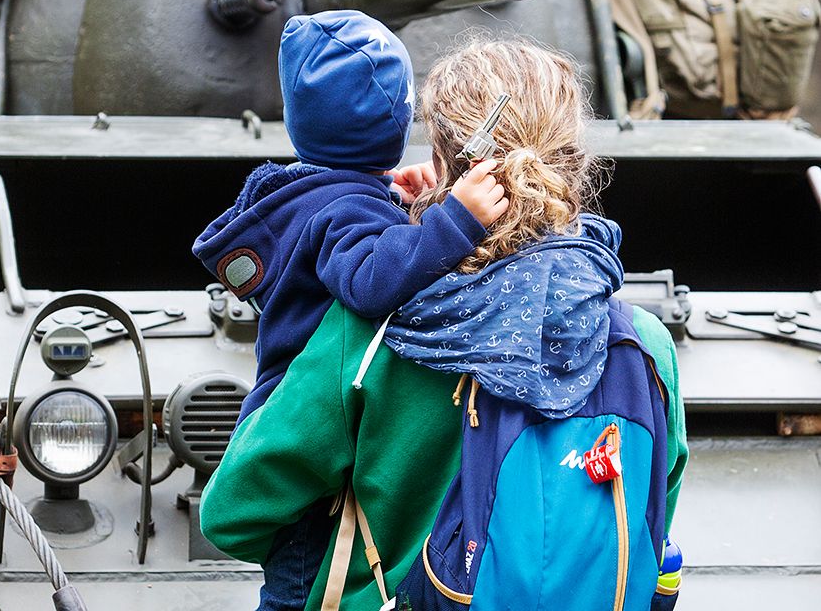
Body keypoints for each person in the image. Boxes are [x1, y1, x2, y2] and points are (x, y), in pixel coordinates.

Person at [200, 38, 689, 611]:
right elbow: (657, 496)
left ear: (446, 161)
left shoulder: (369, 335)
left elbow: (235, 511)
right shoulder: (643, 343)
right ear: (571, 158)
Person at [192, 11, 508, 610]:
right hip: (315, 449)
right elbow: (367, 281)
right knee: (299, 589)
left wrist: (396, 199)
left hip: (301, 424)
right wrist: (454, 222)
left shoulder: (310, 191)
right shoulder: (345, 211)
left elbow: (348, 245)